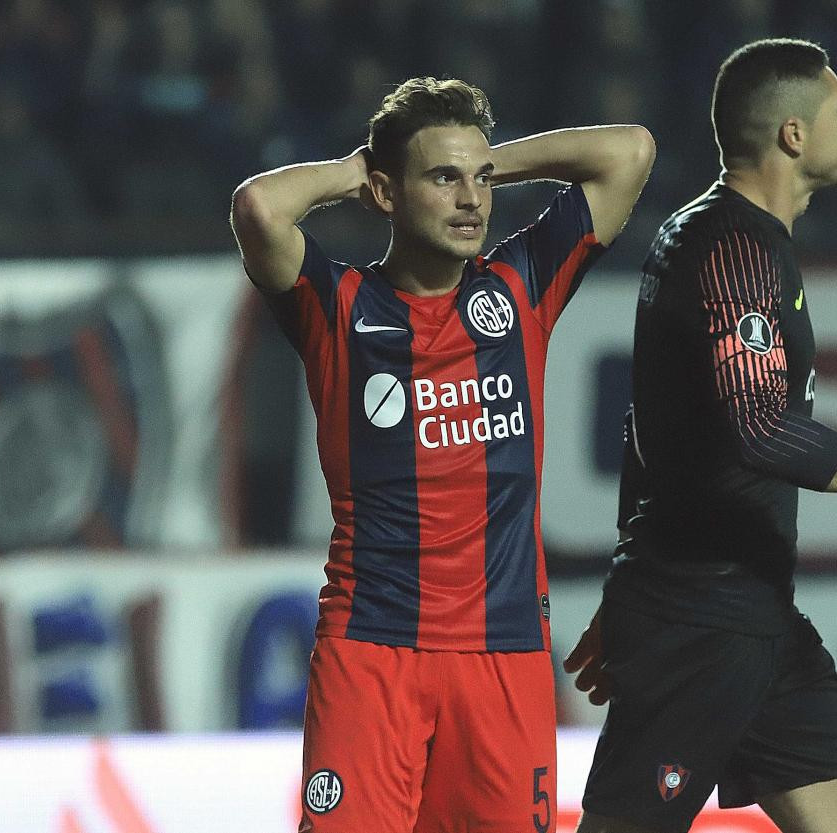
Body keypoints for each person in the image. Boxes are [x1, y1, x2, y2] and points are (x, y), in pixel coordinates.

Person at [229, 77, 654, 833]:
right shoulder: (338, 307)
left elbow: (629, 152)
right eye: (444, 178)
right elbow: (260, 207)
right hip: (371, 652)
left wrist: (490, 157)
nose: (472, 200)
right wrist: (354, 172)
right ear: (388, 193)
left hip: (505, 654)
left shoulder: (521, 288)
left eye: (480, 180)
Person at [563, 39, 837, 833]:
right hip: (696, 624)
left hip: (754, 615)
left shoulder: (730, 239)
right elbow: (760, 428)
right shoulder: (733, 246)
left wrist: (624, 583)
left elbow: (650, 426)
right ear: (794, 135)